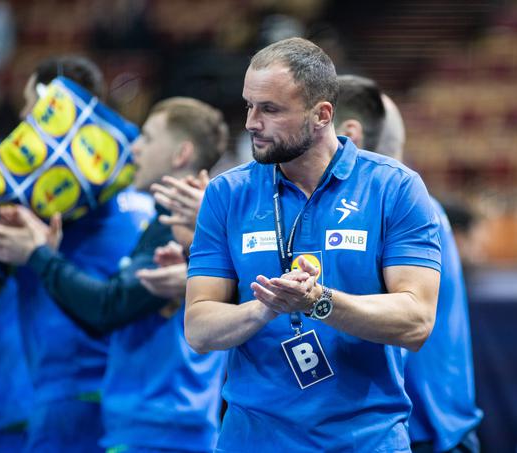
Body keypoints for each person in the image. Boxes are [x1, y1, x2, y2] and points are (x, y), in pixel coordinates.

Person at [185, 37, 441, 452]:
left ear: (322, 115)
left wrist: (318, 302)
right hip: (252, 440)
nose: (251, 122)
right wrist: (265, 307)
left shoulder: (393, 187)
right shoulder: (226, 194)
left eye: (270, 109)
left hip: (365, 439)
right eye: (249, 105)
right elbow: (198, 327)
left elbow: (416, 322)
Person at [0, 97, 229, 452]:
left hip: (161, 429)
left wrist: (38, 254)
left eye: (148, 138)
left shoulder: (182, 227)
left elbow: (107, 308)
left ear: (181, 154)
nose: (135, 148)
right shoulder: (168, 223)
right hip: (152, 425)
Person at [0, 55, 154, 453]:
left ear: (53, 111)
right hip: (113, 396)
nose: (22, 119)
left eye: (29, 106)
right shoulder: (138, 200)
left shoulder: (37, 203)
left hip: (59, 396)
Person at [335, 74, 483, 453]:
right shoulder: (419, 206)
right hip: (434, 429)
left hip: (419, 434)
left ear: (349, 135)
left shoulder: (393, 211)